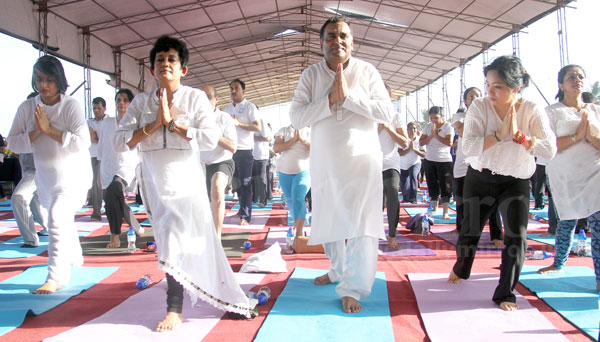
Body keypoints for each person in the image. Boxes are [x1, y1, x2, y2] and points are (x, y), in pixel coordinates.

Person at [113, 36, 253, 332]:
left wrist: (175, 125)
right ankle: (178, 288)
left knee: (178, 235)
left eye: (171, 60)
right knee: (167, 239)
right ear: (152, 70)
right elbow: (119, 141)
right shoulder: (140, 103)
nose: (165, 64)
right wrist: (154, 124)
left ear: (183, 69)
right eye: (160, 60)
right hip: (153, 181)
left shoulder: (195, 98)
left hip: (186, 181)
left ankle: (174, 308)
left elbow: (211, 137)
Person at [289, 17, 393, 313]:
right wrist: (329, 101)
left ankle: (353, 288)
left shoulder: (367, 72)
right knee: (330, 219)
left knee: (363, 225)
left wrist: (350, 98)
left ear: (352, 41)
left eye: (344, 36)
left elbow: (386, 111)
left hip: (362, 160)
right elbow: (296, 118)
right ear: (322, 44)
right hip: (325, 161)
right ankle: (337, 271)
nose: (338, 41)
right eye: (331, 36)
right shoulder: (311, 75)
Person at [447, 55, 557, 311]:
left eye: (498, 86)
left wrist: (522, 138)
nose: (490, 91)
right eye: (488, 84)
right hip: (480, 177)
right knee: (469, 232)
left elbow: (549, 150)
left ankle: (505, 292)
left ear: (516, 88)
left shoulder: (531, 108)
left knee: (517, 237)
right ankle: (462, 269)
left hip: (516, 180)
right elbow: (471, 148)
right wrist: (498, 135)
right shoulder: (480, 106)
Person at [8, 55, 92, 294]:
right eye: (39, 79)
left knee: (56, 217)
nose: (43, 85)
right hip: (46, 178)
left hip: (72, 176)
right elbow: (13, 142)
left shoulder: (70, 106)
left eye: (49, 80)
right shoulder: (27, 108)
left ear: (59, 80)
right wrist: (36, 132)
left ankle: (55, 276)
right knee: (60, 218)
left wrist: (50, 130)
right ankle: (75, 257)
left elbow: (82, 142)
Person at [537, 64, 600, 290]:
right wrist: (576, 136)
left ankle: (599, 278)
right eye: (571, 76)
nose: (577, 79)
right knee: (567, 220)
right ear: (561, 84)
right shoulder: (551, 112)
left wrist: (591, 136)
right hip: (566, 176)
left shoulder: (595, 110)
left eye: (581, 76)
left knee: (598, 224)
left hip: (595, 174)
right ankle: (559, 262)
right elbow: (547, 146)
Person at [452, 88, 504, 246]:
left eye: (477, 96)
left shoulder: (490, 115)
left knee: (492, 201)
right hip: (463, 164)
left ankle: (497, 235)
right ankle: (461, 227)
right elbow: (462, 132)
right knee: (461, 198)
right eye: (470, 96)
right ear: (465, 101)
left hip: (484, 163)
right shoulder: (460, 115)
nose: (474, 98)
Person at [99, 89, 143, 248]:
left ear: (131, 103)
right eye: (118, 100)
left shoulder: (136, 123)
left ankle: (115, 235)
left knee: (113, 191)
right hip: (108, 166)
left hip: (127, 167)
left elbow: (140, 146)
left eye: (125, 100)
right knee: (113, 198)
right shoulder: (107, 123)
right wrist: (98, 167)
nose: (121, 103)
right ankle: (136, 226)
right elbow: (101, 146)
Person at [199, 85, 237, 239]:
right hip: (200, 164)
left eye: (208, 97)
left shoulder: (224, 118)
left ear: (216, 99)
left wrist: (212, 135)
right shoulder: (193, 119)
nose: (205, 102)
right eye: (201, 98)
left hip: (222, 162)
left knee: (216, 189)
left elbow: (233, 146)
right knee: (203, 202)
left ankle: (217, 237)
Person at [224, 79, 261, 226]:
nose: (233, 91)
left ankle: (246, 216)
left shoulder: (249, 107)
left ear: (243, 91)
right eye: (231, 88)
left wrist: (239, 124)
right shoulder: (226, 109)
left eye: (237, 88)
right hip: (229, 150)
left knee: (246, 184)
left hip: (244, 151)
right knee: (236, 184)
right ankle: (241, 209)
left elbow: (257, 127)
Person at [379, 85, 408, 249]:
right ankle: (372, 234)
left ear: (390, 97)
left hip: (390, 163)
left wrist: (388, 128)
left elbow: (405, 142)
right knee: (375, 201)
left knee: (391, 191)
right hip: (372, 163)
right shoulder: (369, 115)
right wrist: (378, 129)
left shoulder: (396, 116)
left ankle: (392, 235)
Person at [273, 125, 310, 237]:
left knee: (298, 197)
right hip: (284, 172)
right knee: (291, 201)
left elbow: (316, 147)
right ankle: (297, 224)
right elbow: (276, 148)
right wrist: (294, 140)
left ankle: (299, 233)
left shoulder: (311, 131)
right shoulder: (283, 130)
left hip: (304, 171)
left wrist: (302, 140)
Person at [419, 106, 454, 220]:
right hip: (429, 159)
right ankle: (434, 207)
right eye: (432, 118)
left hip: (444, 160)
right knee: (432, 184)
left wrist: (436, 136)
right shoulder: (428, 127)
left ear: (441, 116)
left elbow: (449, 142)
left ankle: (445, 211)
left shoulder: (448, 126)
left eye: (436, 118)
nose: (434, 120)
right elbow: (421, 141)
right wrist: (431, 135)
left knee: (445, 185)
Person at [88, 97, 107, 221]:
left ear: (104, 108)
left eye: (99, 108)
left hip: (104, 156)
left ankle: (98, 212)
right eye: (94, 108)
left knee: (100, 184)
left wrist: (95, 139)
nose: (96, 111)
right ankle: (96, 211)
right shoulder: (89, 122)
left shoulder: (109, 122)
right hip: (92, 155)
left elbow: (106, 140)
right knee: (94, 184)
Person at [399, 122, 425, 204]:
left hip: (415, 163)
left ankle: (413, 198)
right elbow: (399, 152)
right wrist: (409, 149)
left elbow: (424, 154)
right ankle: (406, 198)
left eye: (414, 128)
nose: (412, 130)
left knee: (413, 176)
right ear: (407, 130)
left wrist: (415, 149)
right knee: (404, 183)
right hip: (403, 164)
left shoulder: (420, 140)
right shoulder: (403, 139)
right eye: (410, 128)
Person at [252, 116, 271, 208]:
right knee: (254, 179)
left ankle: (263, 200)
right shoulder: (247, 122)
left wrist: (253, 137)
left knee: (261, 178)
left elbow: (268, 138)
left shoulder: (262, 121)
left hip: (261, 155)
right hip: (251, 154)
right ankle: (255, 198)